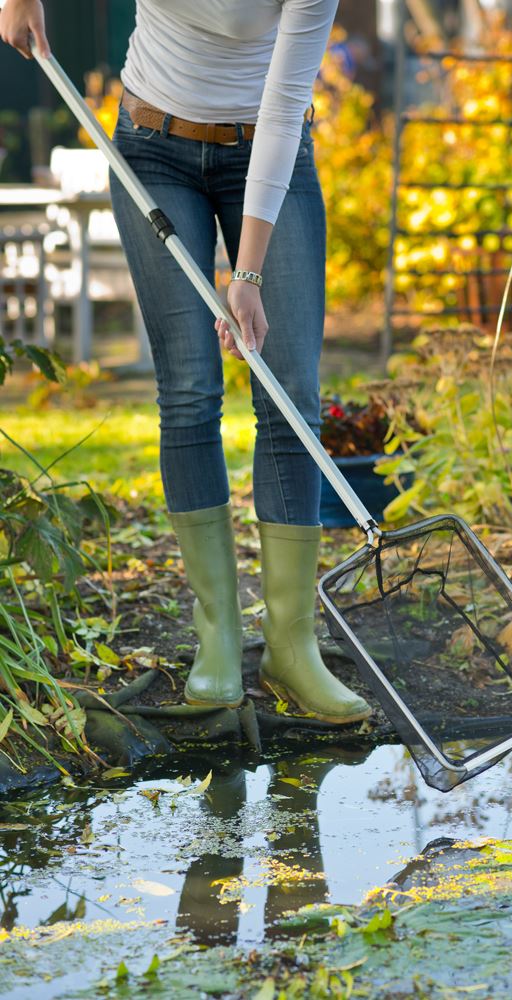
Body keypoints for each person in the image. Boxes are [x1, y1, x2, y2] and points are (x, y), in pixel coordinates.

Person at [1, 0, 371, 726]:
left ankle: (292, 647)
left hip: (270, 150)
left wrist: (250, 275)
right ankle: (220, 641)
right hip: (152, 147)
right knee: (190, 392)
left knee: (289, 394)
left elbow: (286, 99)